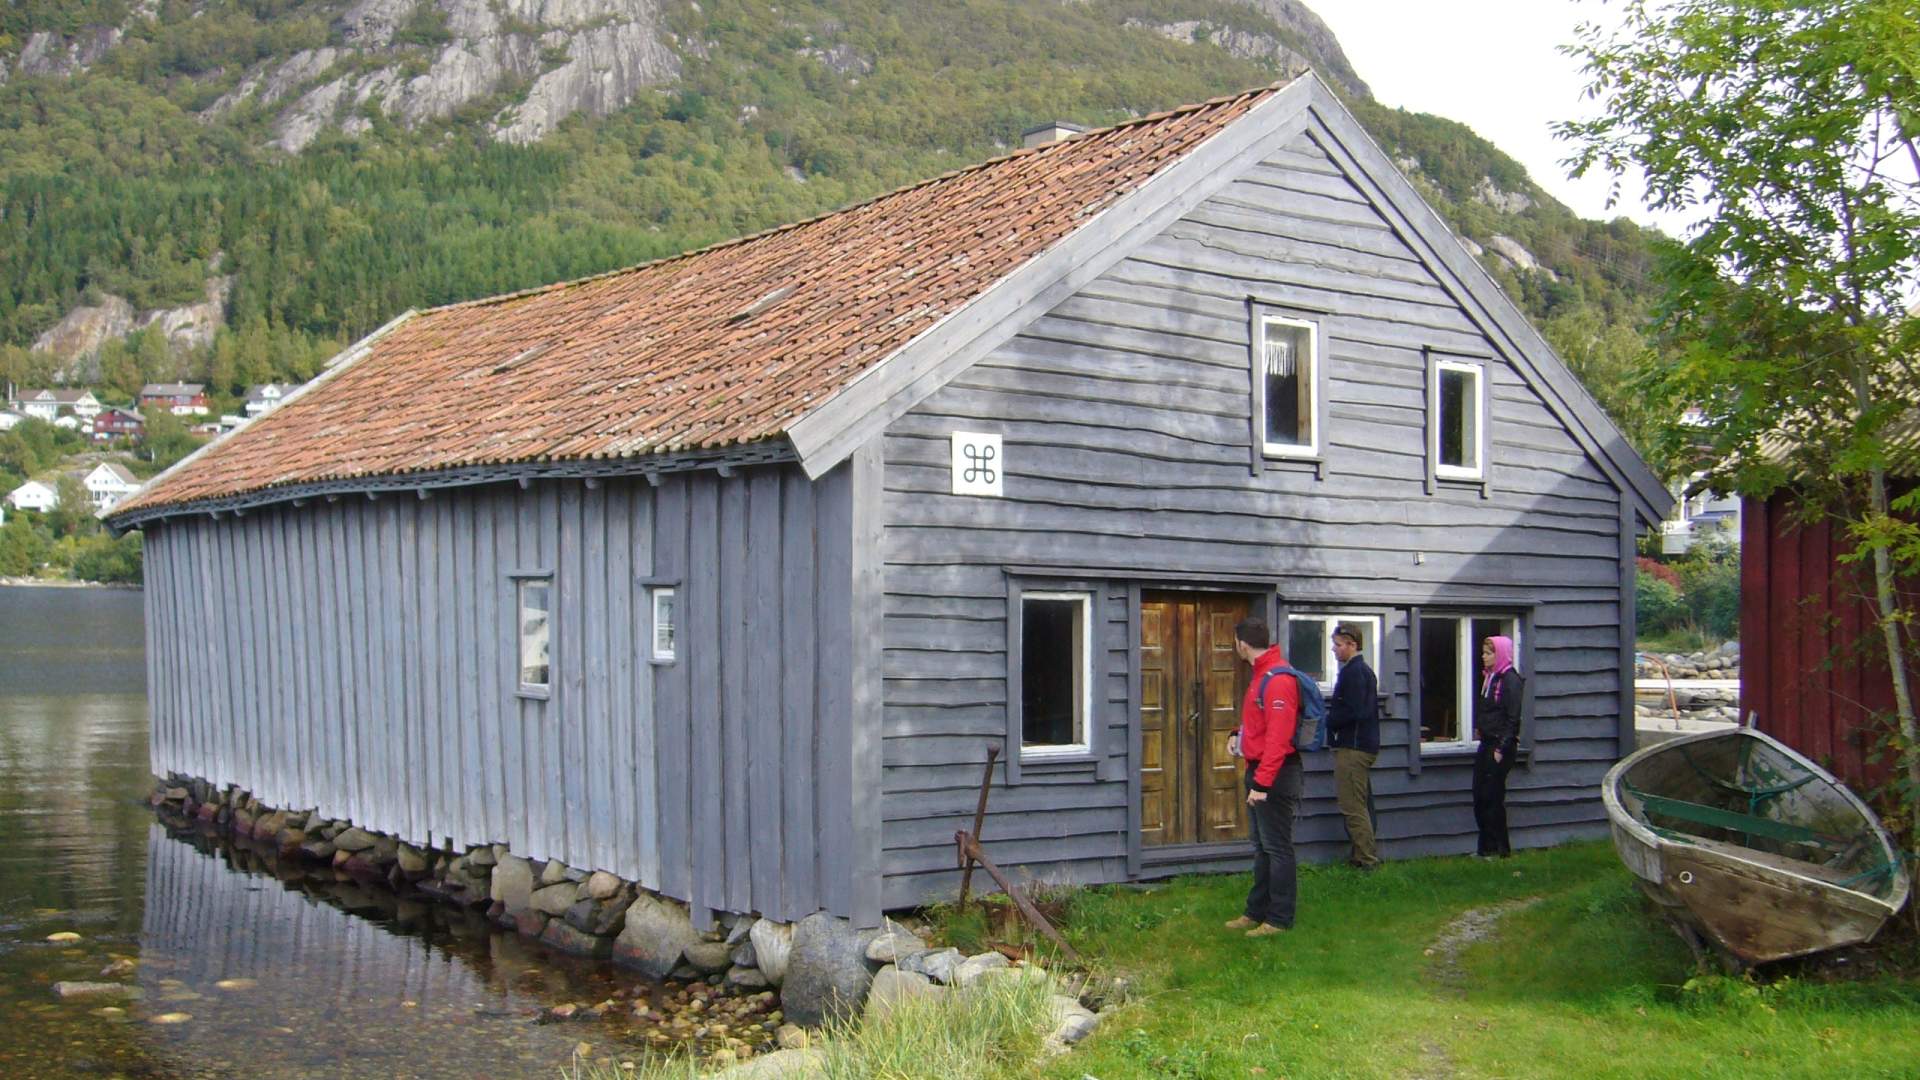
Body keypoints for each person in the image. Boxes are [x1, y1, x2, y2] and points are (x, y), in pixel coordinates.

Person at [1223, 616, 1303, 938]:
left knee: (1277, 847)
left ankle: (1279, 919)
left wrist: (1263, 783)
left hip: (1277, 774)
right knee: (1262, 846)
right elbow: (1259, 725)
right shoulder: (1260, 676)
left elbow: (1279, 739)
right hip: (1259, 769)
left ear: (1242, 643)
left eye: (1234, 642)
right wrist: (1236, 734)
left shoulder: (1278, 679)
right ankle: (1255, 911)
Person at [1326, 623, 1380, 869]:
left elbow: (1357, 710)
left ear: (1352, 644)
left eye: (1338, 645)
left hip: (1354, 747)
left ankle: (1367, 860)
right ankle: (1360, 856)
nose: (1334, 649)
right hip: (1360, 745)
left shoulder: (1354, 672)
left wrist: (1331, 720)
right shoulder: (1361, 671)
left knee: (1352, 805)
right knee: (1359, 802)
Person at [1472, 635, 1524, 858]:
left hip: (1500, 746)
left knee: (1493, 797)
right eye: (1483, 652)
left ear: (1499, 654)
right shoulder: (1490, 678)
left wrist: (1501, 748)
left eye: (1488, 653)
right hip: (1486, 742)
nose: (1484, 657)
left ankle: (1500, 849)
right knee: (1480, 795)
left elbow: (1513, 718)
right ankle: (1485, 848)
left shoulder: (1510, 679)